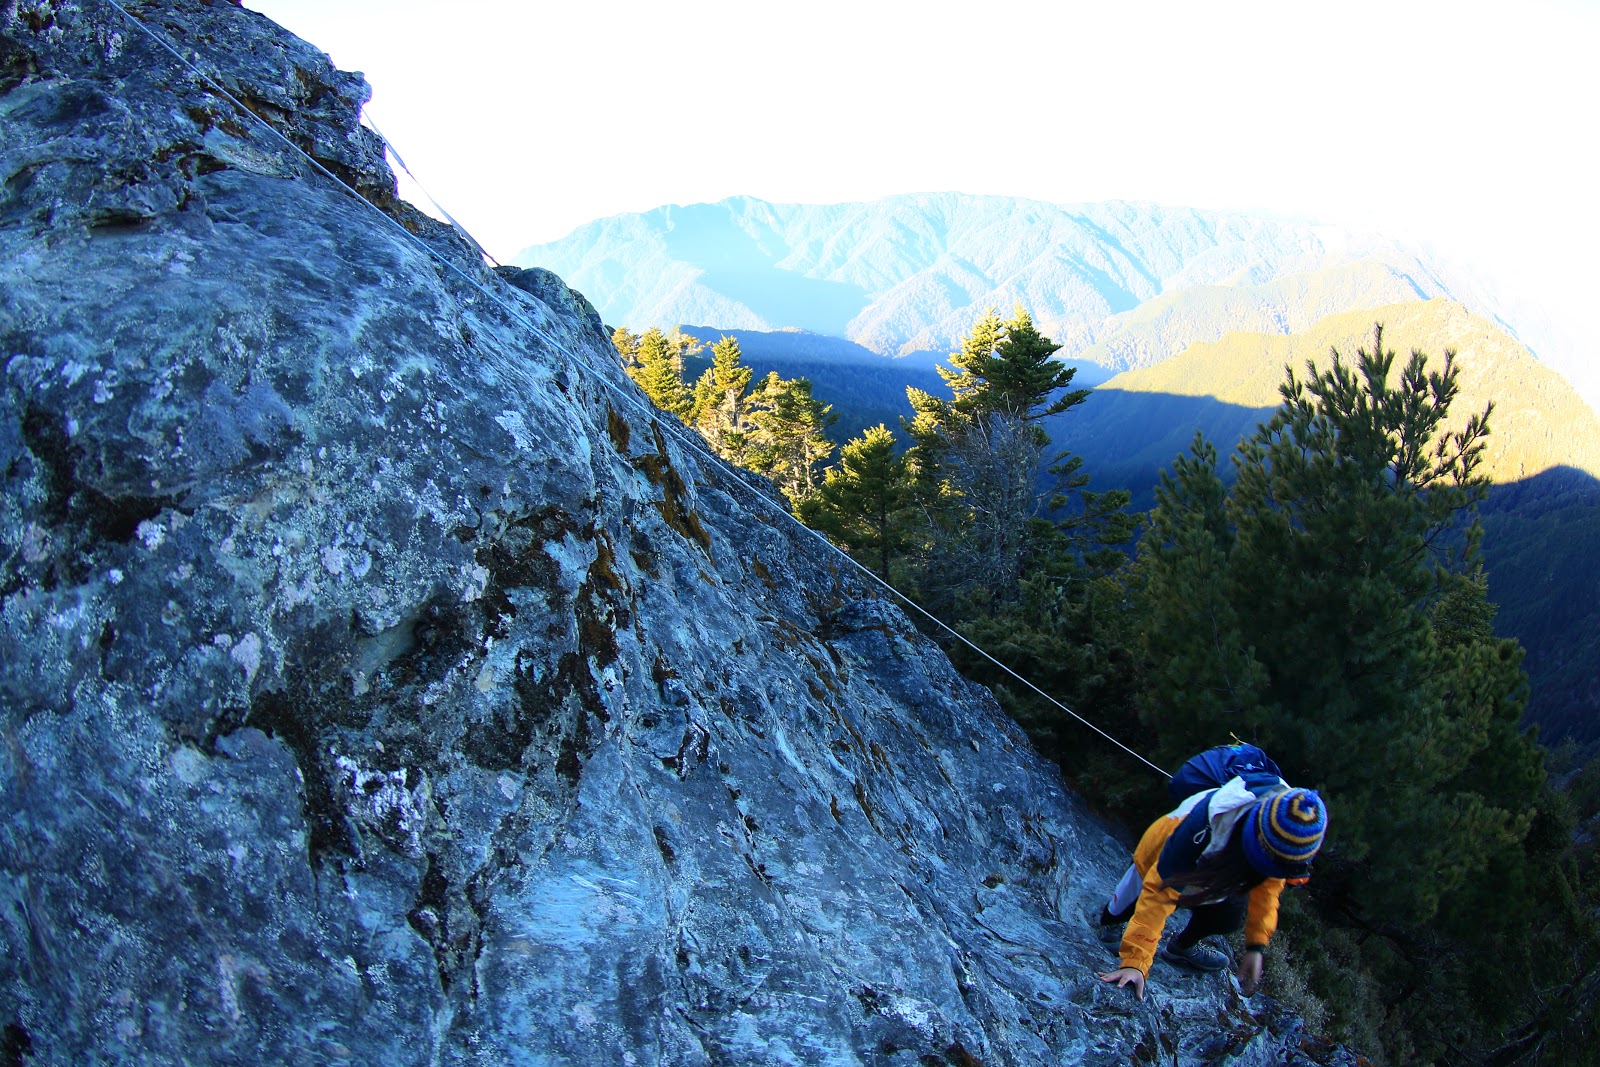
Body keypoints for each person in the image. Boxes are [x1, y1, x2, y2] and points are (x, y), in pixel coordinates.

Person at [1094, 778, 1327, 1000]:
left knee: (1229, 917)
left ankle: (1182, 947)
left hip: (1216, 871)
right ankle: (1114, 921)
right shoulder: (1203, 825)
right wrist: (1135, 962)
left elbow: (1268, 888)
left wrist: (1256, 945)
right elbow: (1159, 891)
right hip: (1162, 858)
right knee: (1114, 918)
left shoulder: (1279, 822)